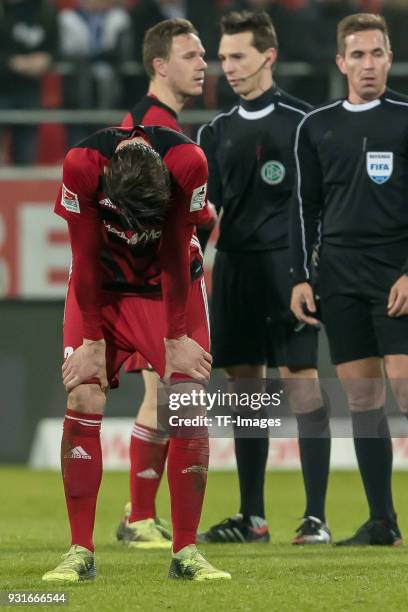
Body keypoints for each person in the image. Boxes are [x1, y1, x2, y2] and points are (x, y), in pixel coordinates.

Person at [41, 124, 231, 582]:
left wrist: (175, 337)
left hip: (166, 286)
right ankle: (79, 552)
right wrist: (91, 342)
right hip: (101, 288)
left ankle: (186, 552)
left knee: (186, 404)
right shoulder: (81, 166)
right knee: (84, 395)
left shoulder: (189, 163)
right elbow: (84, 258)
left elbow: (174, 251)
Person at [197, 10, 331, 546]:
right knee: (245, 390)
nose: (227, 67)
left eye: (239, 56)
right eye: (223, 57)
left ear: (268, 57)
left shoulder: (305, 122)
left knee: (301, 385)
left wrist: (314, 266)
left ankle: (315, 517)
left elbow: (320, 203)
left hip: (290, 268)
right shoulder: (216, 130)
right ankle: (251, 515)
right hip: (235, 267)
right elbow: (204, 211)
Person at [290, 12, 408, 546]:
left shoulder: (406, 119)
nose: (367, 64)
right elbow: (305, 209)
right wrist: (302, 276)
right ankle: (382, 520)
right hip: (339, 276)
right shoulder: (316, 126)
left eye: (376, 53)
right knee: (363, 401)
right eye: (356, 55)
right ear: (340, 62)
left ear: (390, 58)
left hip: (396, 276)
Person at [116, 18, 216, 549]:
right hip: (155, 280)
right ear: (160, 64)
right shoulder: (155, 128)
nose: (204, 64)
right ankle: (138, 518)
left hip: (147, 278)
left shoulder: (154, 122)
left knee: (161, 398)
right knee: (169, 398)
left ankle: (139, 513)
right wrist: (204, 216)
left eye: (203, 55)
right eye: (191, 55)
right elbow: (142, 210)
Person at [0, 0, 58, 165]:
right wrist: (11, 63)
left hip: (30, 91)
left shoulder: (46, 11)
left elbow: (56, 48)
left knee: (25, 156)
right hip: (2, 90)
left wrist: (47, 59)